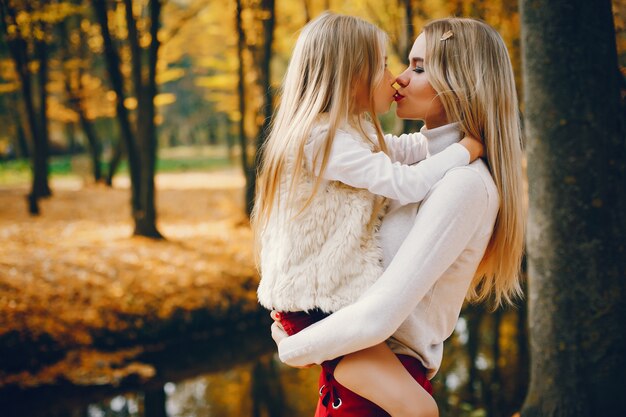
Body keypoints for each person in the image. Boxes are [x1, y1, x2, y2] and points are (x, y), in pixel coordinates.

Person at [270, 16, 525, 417]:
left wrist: (293, 347)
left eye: (418, 68)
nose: (399, 79)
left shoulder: (462, 183)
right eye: (400, 64)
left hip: (378, 377)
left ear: (462, 82)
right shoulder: (407, 161)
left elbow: (380, 315)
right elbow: (406, 156)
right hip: (352, 371)